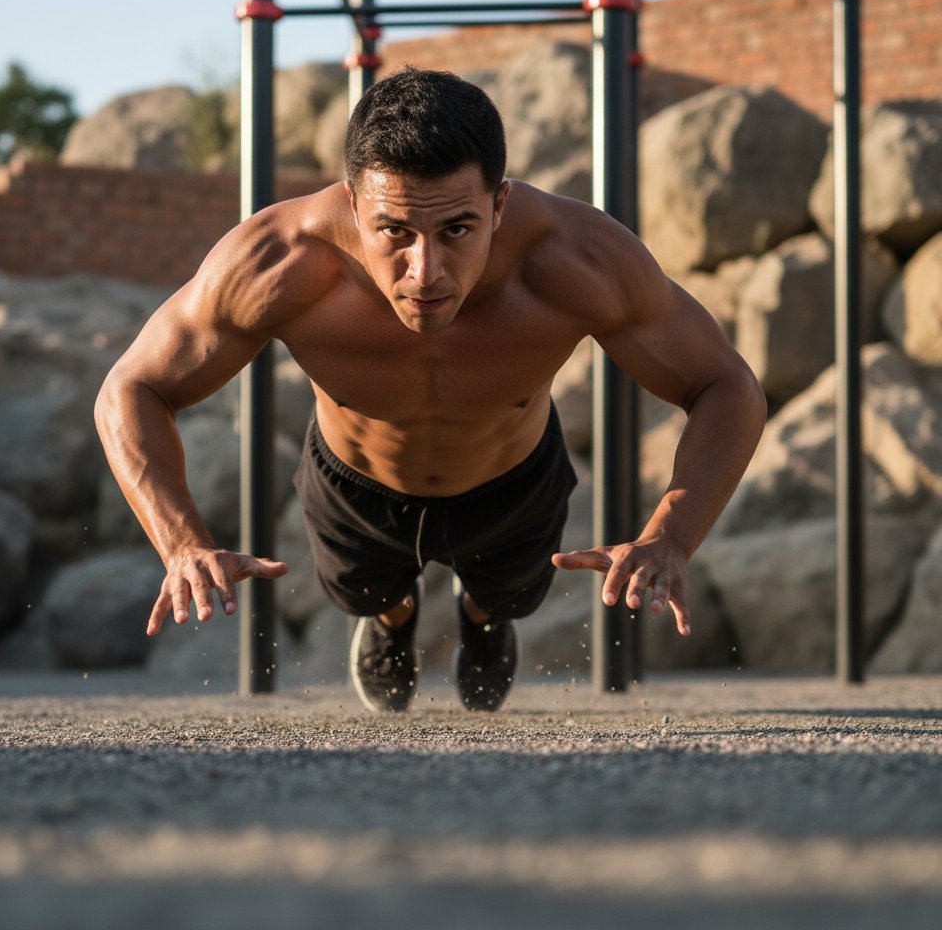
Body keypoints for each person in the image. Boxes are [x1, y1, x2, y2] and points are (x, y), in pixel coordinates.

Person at [95, 67, 766, 714]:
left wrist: (670, 537)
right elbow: (133, 387)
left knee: (506, 595)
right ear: (355, 204)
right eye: (395, 232)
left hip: (515, 479)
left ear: (499, 203)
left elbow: (725, 385)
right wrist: (180, 541)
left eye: (457, 230)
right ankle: (393, 617)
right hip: (355, 483)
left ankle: (482, 617)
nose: (426, 271)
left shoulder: (576, 259)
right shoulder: (281, 261)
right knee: (365, 591)